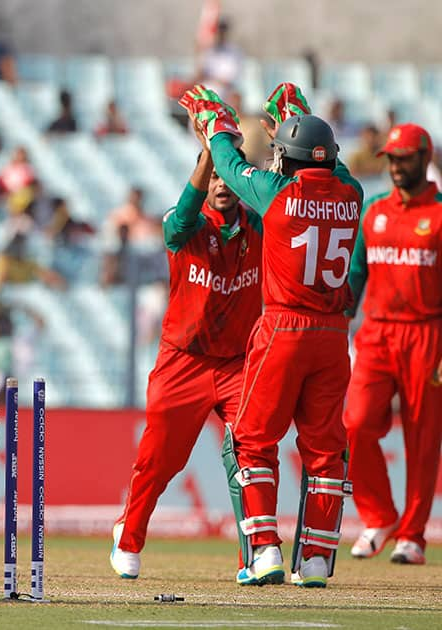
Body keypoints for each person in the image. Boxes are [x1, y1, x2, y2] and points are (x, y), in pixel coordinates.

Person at [181, 83, 362, 588]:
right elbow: (334, 167)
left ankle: (264, 552)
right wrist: (296, 119)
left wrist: (215, 120)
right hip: (333, 335)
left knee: (250, 441)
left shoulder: (277, 192)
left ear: (290, 159)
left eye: (283, 152)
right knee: (326, 449)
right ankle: (318, 560)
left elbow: (227, 161)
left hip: (284, 328)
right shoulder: (353, 193)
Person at [111, 142, 263, 579]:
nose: (221, 185)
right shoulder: (185, 224)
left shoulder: (260, 226)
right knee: (161, 461)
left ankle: (254, 555)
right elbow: (177, 222)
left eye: (227, 177)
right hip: (183, 361)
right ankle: (128, 536)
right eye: (212, 177)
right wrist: (207, 156)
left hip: (236, 363)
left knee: (251, 454)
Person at [344, 124, 442, 566]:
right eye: (392, 159)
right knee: (356, 423)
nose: (397, 167)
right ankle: (379, 515)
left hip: (427, 335)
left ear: (425, 157)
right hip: (377, 334)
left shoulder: (440, 213)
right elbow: (357, 273)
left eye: (404, 158)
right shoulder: (374, 210)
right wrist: (337, 317)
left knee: (423, 440)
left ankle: (413, 537)